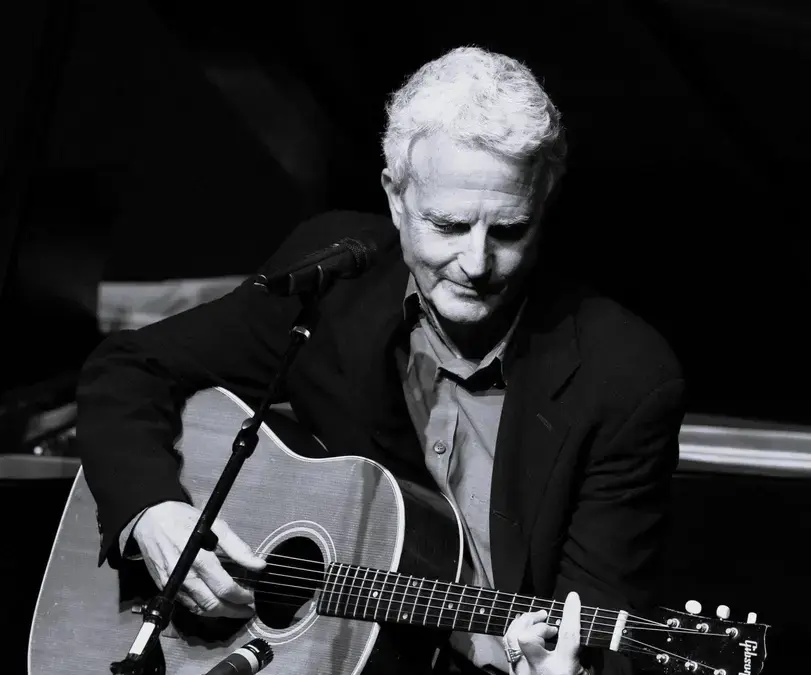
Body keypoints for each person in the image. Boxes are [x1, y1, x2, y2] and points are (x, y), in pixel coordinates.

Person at [76, 46, 686, 675]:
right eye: (447, 225)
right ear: (396, 196)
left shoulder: (624, 376)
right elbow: (129, 367)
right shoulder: (337, 281)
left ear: (545, 198)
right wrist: (152, 510)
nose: (477, 264)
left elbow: (600, 626)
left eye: (509, 230)